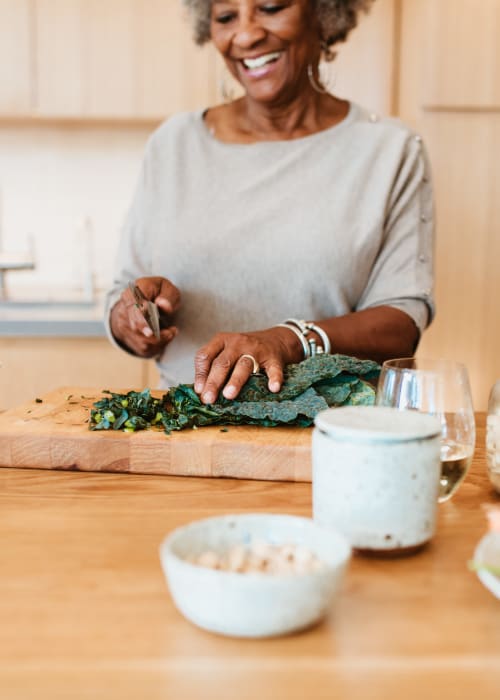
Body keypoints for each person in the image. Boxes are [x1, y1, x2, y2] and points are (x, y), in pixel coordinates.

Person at [105, 0, 434, 406]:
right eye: (226, 17)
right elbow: (124, 291)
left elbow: (402, 323)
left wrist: (291, 340)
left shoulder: (389, 151)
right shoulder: (174, 144)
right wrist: (133, 318)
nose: (245, 34)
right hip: (187, 430)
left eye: (270, 7)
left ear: (323, 13)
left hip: (334, 431)